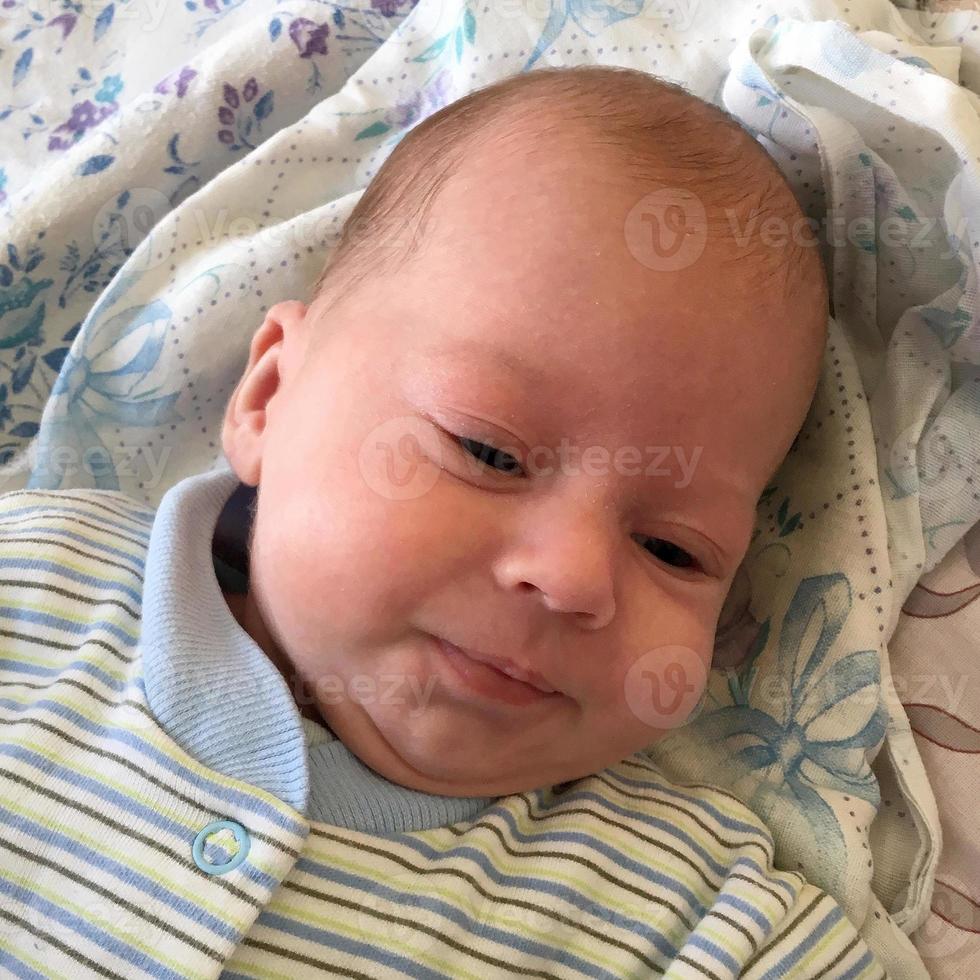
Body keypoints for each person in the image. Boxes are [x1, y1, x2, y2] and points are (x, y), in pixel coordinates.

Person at [0, 66, 903, 979]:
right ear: (271, 396)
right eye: (489, 451)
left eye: (673, 548)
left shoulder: (702, 919)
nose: (575, 575)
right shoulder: (31, 584)